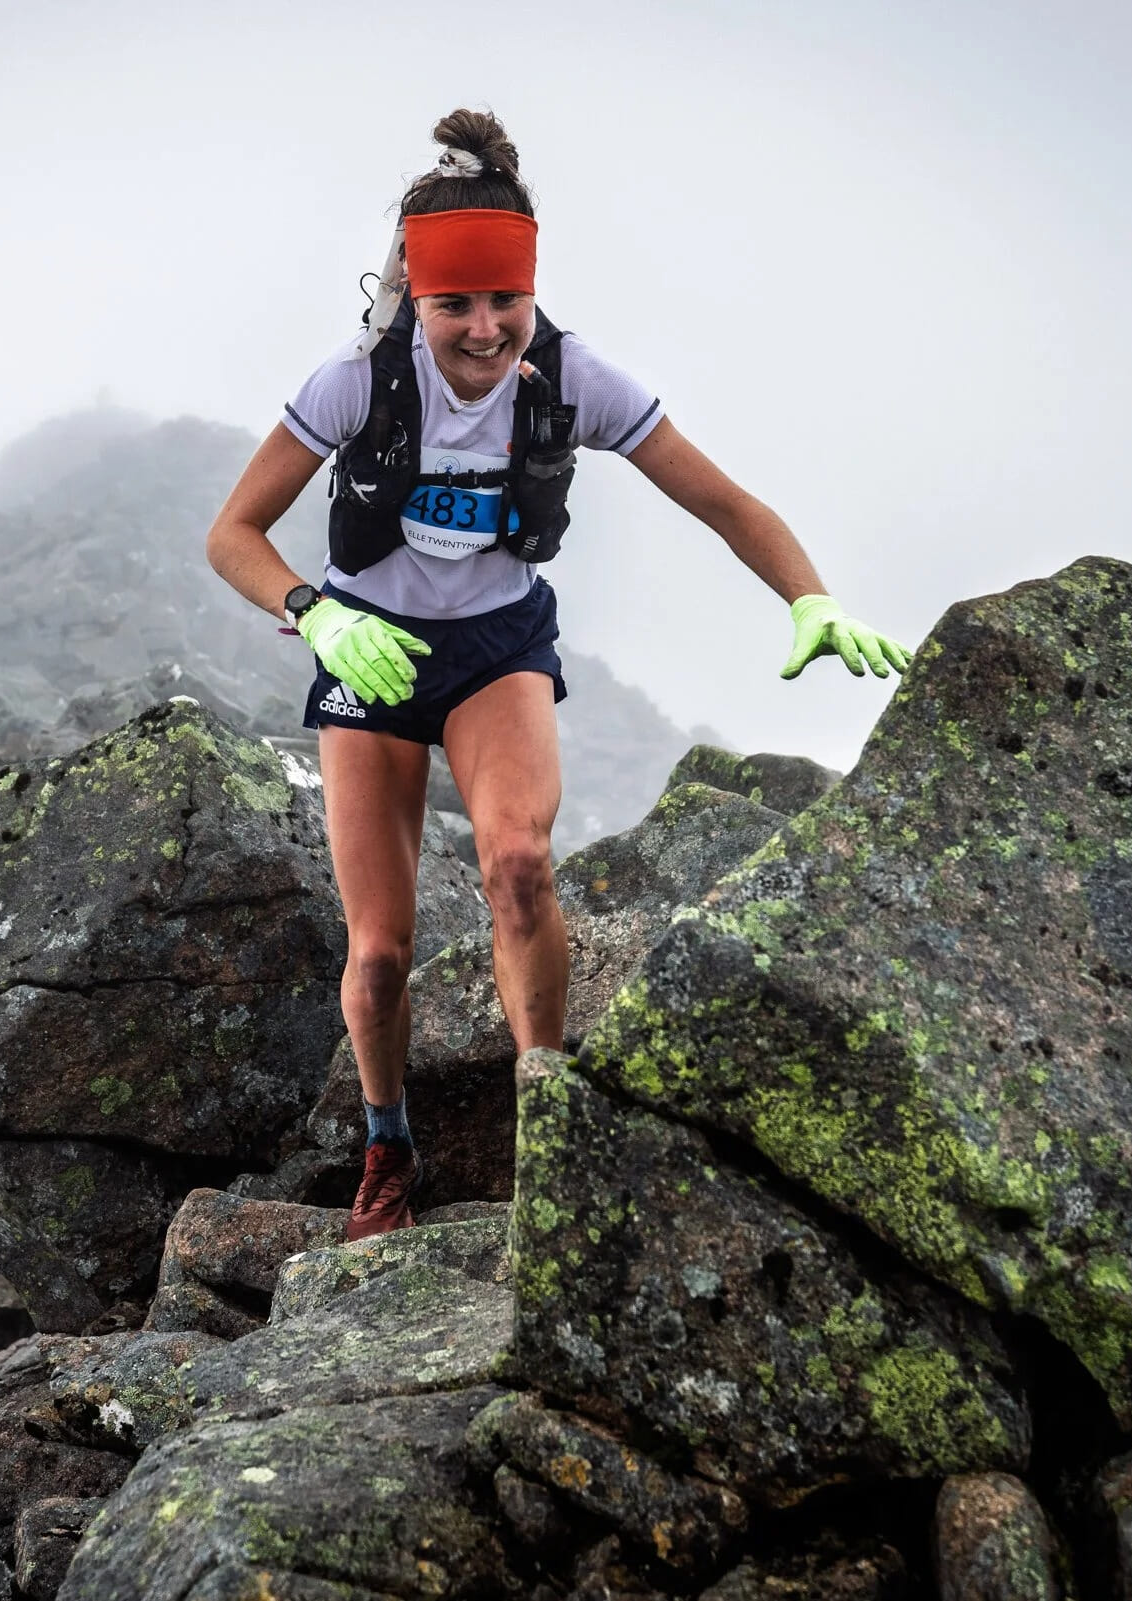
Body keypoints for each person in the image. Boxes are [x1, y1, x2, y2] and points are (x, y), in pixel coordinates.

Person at [205, 109, 910, 1240]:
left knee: (522, 863)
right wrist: (313, 610)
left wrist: (809, 596)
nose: (484, 330)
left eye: (505, 302)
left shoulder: (574, 378)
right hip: (370, 648)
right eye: (455, 305)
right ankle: (389, 1146)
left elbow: (724, 500)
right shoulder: (354, 383)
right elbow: (233, 533)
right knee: (381, 952)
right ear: (413, 295)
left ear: (532, 291)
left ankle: (549, 1124)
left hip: (496, 652)